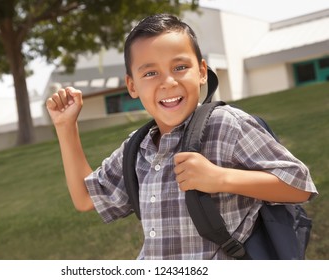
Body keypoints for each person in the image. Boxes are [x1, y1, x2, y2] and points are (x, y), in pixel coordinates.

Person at [45, 14, 317, 260]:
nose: (168, 82)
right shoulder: (136, 147)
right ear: (132, 86)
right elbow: (86, 199)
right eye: (150, 73)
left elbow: (300, 185)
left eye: (179, 67)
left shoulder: (226, 126)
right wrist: (66, 126)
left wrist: (221, 178)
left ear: (201, 71)